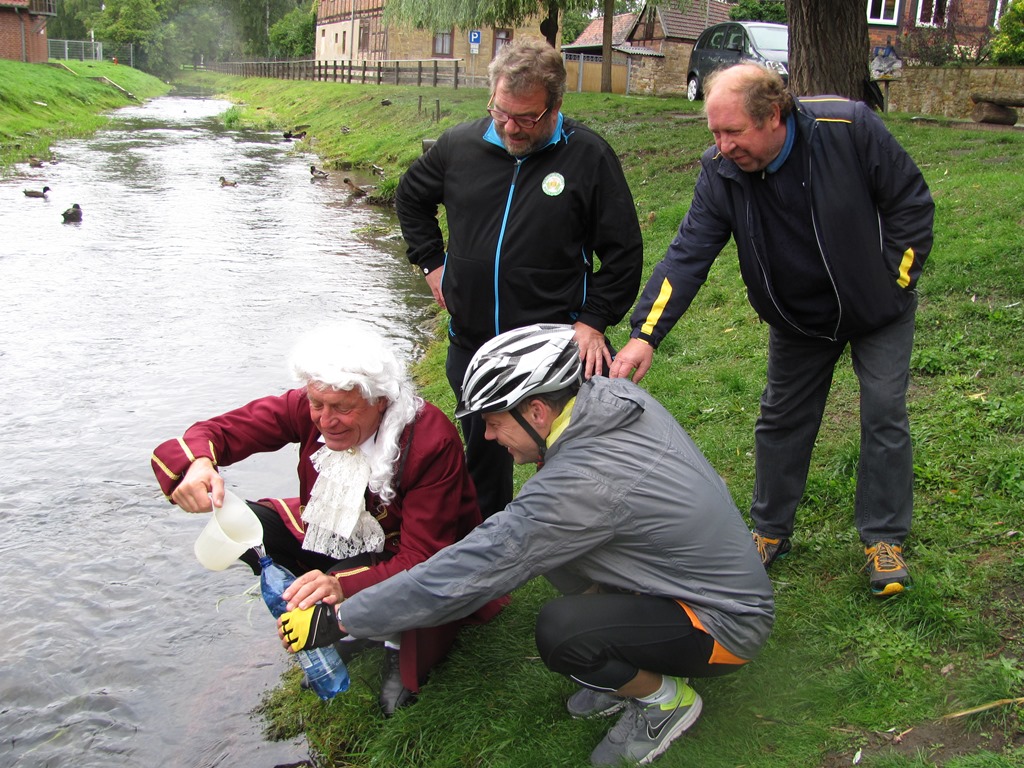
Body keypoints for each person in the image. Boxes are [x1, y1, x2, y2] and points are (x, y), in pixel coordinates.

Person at [276, 324, 774, 767]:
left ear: (537, 409)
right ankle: (625, 658)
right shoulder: (607, 399)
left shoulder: (579, 485)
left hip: (725, 625)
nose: (489, 437)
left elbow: (469, 571)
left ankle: (665, 701)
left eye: (494, 421)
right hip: (690, 578)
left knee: (561, 632)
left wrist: (343, 618)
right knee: (557, 560)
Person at [609, 64, 935, 597]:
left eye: (732, 132)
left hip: (877, 309)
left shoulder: (849, 129)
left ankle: (884, 537)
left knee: (883, 411)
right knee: (781, 420)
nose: (721, 145)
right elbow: (689, 252)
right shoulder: (722, 172)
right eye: (714, 132)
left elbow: (910, 202)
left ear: (774, 115)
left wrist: (893, 284)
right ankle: (770, 531)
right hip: (798, 318)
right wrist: (645, 333)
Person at [151, 322, 504, 715]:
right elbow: (218, 431)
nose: (324, 419)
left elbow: (421, 556)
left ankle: (389, 641)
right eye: (317, 404)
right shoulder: (310, 406)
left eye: (343, 408)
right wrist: (199, 464)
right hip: (347, 537)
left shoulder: (430, 439)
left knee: (393, 624)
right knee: (253, 532)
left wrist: (336, 585)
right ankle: (334, 623)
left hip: (412, 555)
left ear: (381, 400)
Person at [395, 39, 643, 519]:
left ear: (555, 106)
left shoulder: (587, 156)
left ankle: (580, 558)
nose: (510, 127)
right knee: (485, 458)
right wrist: (432, 265)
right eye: (501, 112)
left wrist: (594, 320)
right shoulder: (460, 146)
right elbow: (411, 198)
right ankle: (488, 568)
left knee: (569, 464)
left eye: (526, 118)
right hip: (473, 345)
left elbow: (624, 252)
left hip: (552, 353)